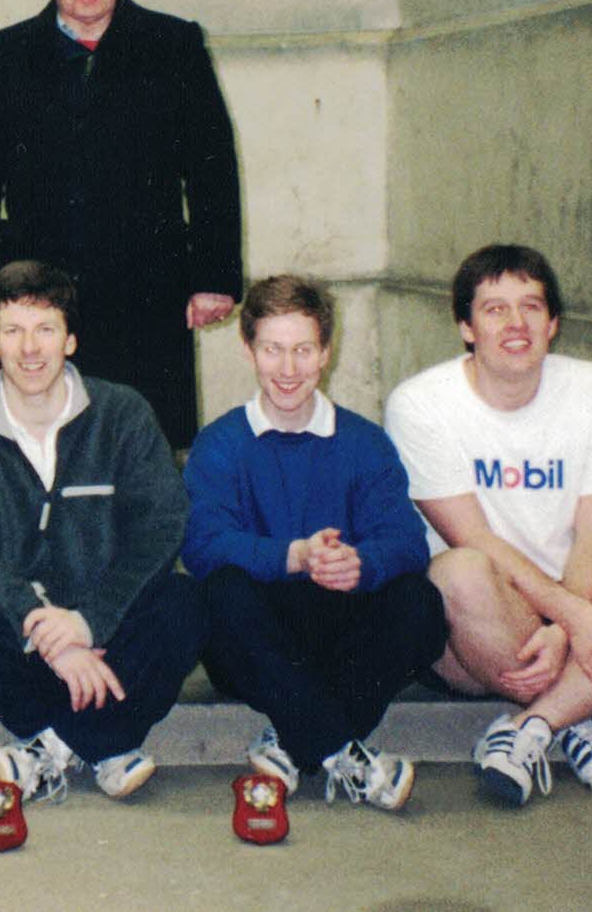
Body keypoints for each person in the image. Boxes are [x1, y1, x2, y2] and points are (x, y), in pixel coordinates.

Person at [385, 244, 592, 807]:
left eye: (531, 307)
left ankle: (533, 728)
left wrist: (564, 629)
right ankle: (579, 718)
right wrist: (577, 620)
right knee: (459, 570)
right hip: (472, 633)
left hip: (571, 617)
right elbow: (474, 539)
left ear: (553, 324)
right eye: (494, 309)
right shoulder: (421, 403)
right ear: (465, 326)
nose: (515, 324)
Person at [0, 0, 242, 451]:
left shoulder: (173, 45)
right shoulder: (6, 55)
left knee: (148, 436)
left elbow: (211, 167)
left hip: (149, 282)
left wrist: (214, 276)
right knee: (49, 432)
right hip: (40, 283)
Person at [0, 260, 205, 804]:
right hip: (20, 632)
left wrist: (88, 622)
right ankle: (110, 741)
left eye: (46, 329)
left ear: (71, 340)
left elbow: (162, 525)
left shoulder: (123, 413)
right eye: (13, 331)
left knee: (184, 603)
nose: (30, 349)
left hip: (108, 621)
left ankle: (53, 748)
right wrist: (44, 631)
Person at [182, 274, 446, 811]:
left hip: (341, 626)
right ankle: (341, 752)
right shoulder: (220, 444)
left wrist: (361, 562)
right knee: (218, 592)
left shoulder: (365, 443)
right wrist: (292, 555)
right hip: (259, 636)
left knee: (420, 602)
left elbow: (407, 543)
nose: (287, 369)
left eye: (303, 350)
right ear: (249, 349)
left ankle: (296, 737)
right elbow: (203, 544)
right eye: (273, 350)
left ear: (326, 352)